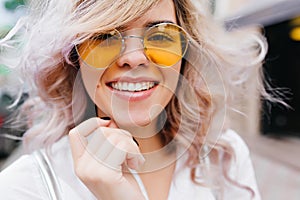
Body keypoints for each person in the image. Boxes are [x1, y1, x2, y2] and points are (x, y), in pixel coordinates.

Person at [0, 0, 269, 199]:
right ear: (74, 58)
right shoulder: (24, 187)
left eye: (161, 35)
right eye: (104, 36)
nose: (134, 57)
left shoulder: (224, 158)